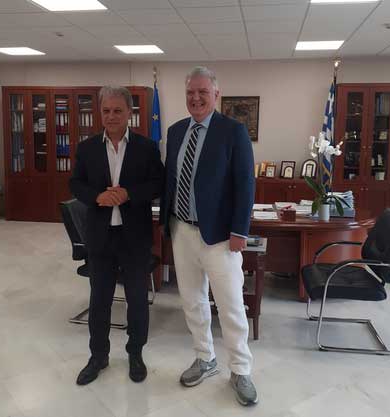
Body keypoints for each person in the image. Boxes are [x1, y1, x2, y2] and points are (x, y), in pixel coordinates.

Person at [160, 67, 257, 406]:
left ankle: (241, 369)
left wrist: (239, 230)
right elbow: (171, 179)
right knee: (192, 300)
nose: (196, 98)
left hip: (220, 237)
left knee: (230, 304)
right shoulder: (175, 132)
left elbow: (245, 183)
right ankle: (205, 358)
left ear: (216, 94)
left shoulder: (233, 131)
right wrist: (166, 222)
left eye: (203, 92)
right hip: (182, 230)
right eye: (190, 92)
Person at [70, 86, 164, 386]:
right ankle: (98, 356)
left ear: (129, 113)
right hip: (100, 237)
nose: (111, 116)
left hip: (134, 236)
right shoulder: (87, 148)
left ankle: (135, 354)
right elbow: (75, 184)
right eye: (106, 110)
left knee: (137, 300)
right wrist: (97, 197)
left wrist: (129, 193)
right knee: (100, 300)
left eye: (117, 110)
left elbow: (159, 183)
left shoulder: (146, 147)